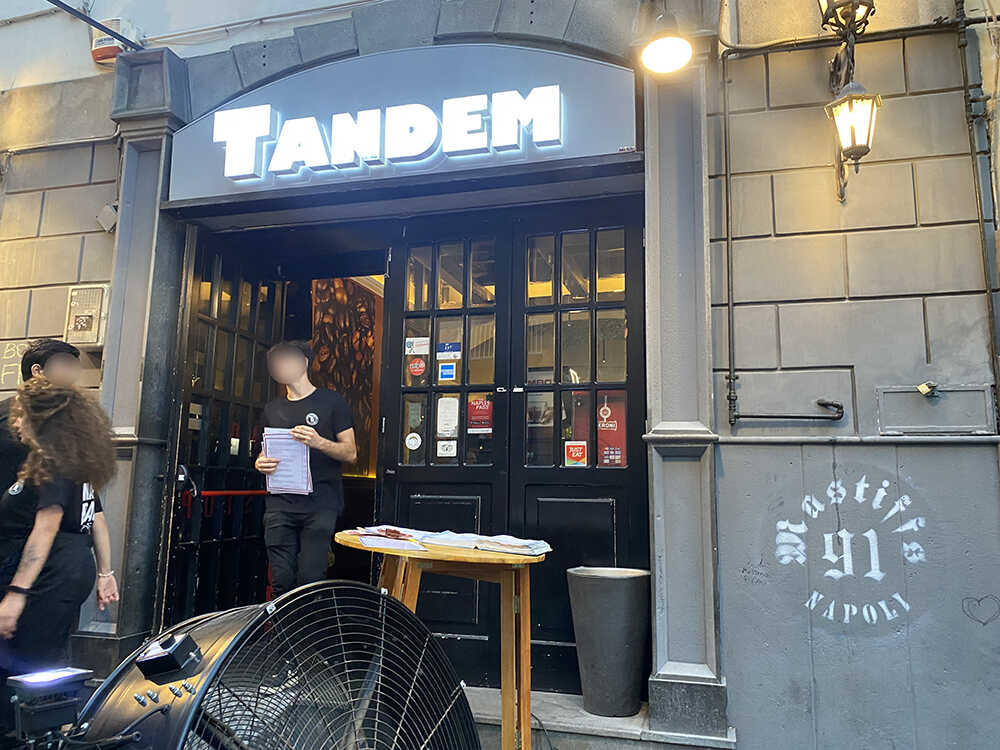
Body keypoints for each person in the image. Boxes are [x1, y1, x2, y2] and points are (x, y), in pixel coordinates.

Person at [0, 378, 117, 706]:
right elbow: (96, 518)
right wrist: (105, 573)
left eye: (22, 415)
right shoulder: (71, 464)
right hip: (67, 566)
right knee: (42, 657)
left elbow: (45, 530)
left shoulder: (54, 464)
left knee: (31, 663)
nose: (16, 423)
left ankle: (35, 725)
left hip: (51, 572)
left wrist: (16, 594)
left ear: (43, 419)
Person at [0, 341, 118, 613]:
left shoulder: (62, 447)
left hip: (48, 566)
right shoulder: (13, 424)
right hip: (27, 558)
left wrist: (106, 572)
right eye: (64, 365)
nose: (73, 374)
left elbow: (89, 510)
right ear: (37, 371)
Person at [254, 341, 356, 599]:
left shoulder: (332, 402)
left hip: (320, 503)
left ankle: (310, 625)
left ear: (304, 362)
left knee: (310, 579)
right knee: (281, 581)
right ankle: (284, 627)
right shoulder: (272, 409)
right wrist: (260, 462)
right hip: (280, 503)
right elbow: (264, 452)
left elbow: (351, 453)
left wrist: (318, 441)